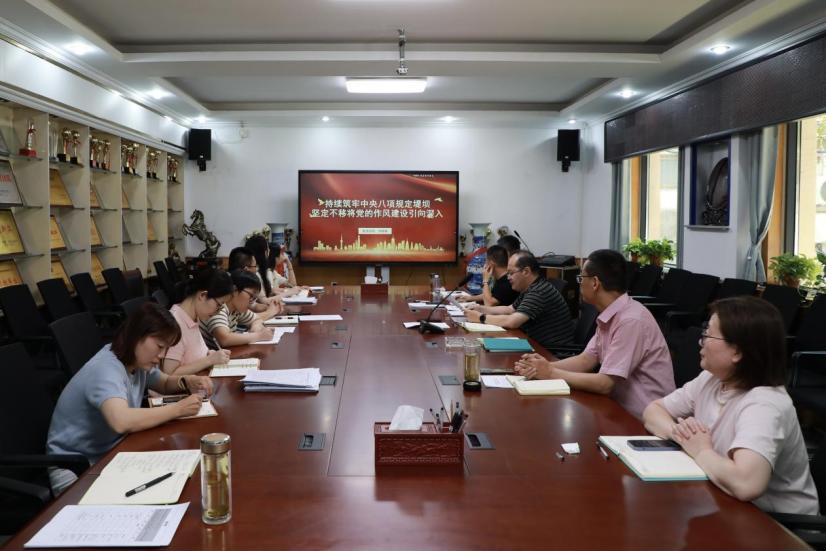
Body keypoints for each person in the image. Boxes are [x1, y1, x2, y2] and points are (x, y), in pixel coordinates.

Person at [642, 296, 818, 515]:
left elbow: (747, 484)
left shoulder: (765, 404)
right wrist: (681, 435)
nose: (701, 341)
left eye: (708, 334)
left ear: (737, 351)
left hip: (778, 524)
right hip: (723, 500)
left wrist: (701, 450)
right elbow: (653, 411)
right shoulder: (712, 379)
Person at [46, 302, 214, 495]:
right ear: (136, 335)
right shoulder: (105, 369)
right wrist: (178, 409)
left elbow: (164, 383)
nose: (161, 355)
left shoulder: (135, 362)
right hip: (75, 468)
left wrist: (187, 381)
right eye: (159, 346)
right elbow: (121, 421)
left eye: (166, 348)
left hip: (111, 454)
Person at [514, 249, 674, 419]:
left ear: (595, 283)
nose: (579, 283)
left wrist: (550, 373)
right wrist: (544, 366)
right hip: (616, 408)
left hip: (643, 420)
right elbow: (586, 360)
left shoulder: (631, 321)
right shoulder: (611, 313)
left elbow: (605, 384)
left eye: (581, 278)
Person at [464, 250, 573, 348]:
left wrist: (481, 317)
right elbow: (510, 309)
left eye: (511, 273)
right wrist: (481, 309)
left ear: (526, 271)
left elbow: (512, 321)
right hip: (534, 344)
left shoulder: (539, 291)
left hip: (550, 351)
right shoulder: (531, 287)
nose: (508, 277)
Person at [162, 268, 233, 376]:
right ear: (203, 296)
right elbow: (169, 374)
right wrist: (209, 360)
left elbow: (193, 356)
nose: (217, 312)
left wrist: (209, 355)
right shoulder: (175, 323)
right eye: (218, 305)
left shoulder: (193, 317)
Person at [200, 269, 275, 349]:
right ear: (234, 290)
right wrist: (259, 336)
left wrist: (255, 329)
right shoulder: (219, 307)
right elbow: (224, 339)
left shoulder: (237, 309)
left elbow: (257, 319)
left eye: (254, 298)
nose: (252, 301)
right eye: (251, 296)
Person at [227, 246, 284, 315]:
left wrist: (271, 307)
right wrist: (270, 311)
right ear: (246, 269)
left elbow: (254, 306)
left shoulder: (244, 282)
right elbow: (253, 315)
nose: (257, 269)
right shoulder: (230, 288)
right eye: (255, 266)